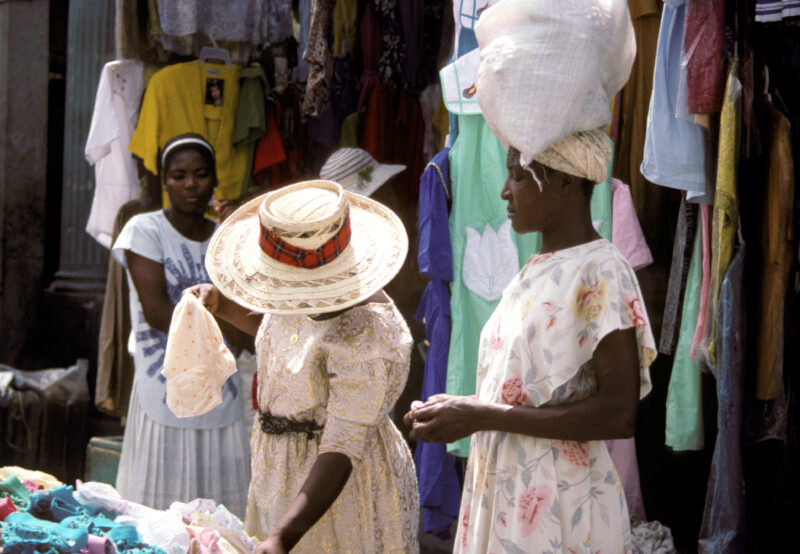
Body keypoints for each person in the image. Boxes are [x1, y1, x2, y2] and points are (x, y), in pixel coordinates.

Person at [406, 1, 657, 552]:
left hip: (560, 505)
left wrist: (479, 414)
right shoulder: (534, 271)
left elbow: (619, 413)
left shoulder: (600, 271)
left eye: (519, 177)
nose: (504, 190)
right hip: (509, 490)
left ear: (565, 182)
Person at [186, 179, 419, 553]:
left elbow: (342, 447)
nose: (298, 303)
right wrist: (222, 306)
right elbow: (285, 336)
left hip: (337, 486)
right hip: (283, 474)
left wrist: (283, 536)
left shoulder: (370, 337)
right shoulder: (298, 301)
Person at [111, 133, 250, 518]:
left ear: (215, 178)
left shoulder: (226, 236)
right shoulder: (145, 230)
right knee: (160, 503)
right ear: (165, 182)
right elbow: (157, 311)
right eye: (179, 175)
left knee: (217, 503)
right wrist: (229, 326)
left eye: (201, 174)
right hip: (164, 386)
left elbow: (248, 304)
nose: (190, 184)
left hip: (220, 388)